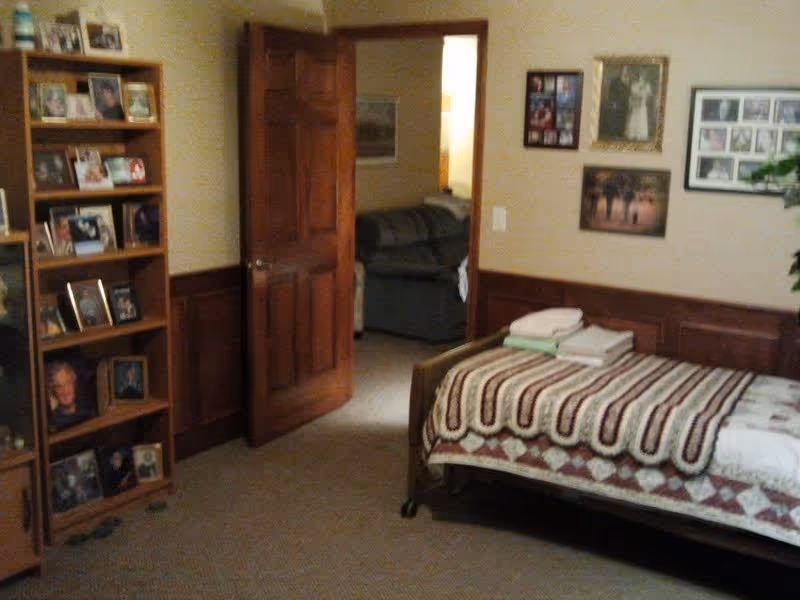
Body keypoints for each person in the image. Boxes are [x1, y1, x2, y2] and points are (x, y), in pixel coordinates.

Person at [47, 361, 90, 430]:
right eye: (58, 386)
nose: (65, 390)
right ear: (52, 391)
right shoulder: (54, 421)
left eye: (68, 383)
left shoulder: (87, 410)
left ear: (74, 384)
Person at [624, 70, 652, 141]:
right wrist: (638, 94)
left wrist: (644, 94)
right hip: (635, 103)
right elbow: (632, 93)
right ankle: (633, 134)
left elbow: (649, 94)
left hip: (642, 103)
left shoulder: (647, 84)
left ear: (645, 76)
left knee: (641, 117)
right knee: (634, 117)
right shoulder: (634, 84)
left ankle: (641, 134)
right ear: (638, 76)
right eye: (640, 75)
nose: (641, 77)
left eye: (642, 75)